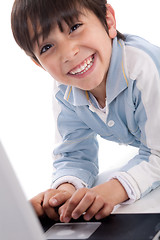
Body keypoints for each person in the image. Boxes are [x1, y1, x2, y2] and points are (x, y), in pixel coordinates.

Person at [11, 0, 160, 223]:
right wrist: (65, 191)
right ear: (38, 64)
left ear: (108, 21)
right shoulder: (66, 91)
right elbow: (74, 154)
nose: (69, 54)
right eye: (47, 47)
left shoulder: (144, 68)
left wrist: (112, 190)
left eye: (74, 28)